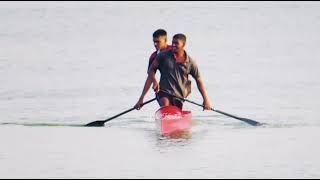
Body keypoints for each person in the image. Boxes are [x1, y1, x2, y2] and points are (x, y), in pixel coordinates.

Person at [134, 33, 212, 110]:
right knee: (165, 105)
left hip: (179, 95)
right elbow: (151, 70)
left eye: (176, 43)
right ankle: (165, 116)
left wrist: (205, 100)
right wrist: (142, 97)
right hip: (163, 91)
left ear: (183, 45)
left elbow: (198, 80)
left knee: (176, 110)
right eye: (172, 42)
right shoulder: (163, 56)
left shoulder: (190, 62)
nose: (173, 45)